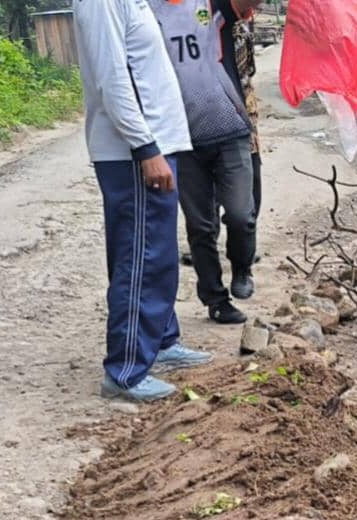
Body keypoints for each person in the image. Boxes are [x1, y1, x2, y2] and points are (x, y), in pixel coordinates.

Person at [73, 0, 212, 402]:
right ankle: (126, 370)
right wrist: (145, 147)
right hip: (133, 153)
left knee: (158, 255)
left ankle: (162, 340)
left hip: (154, 146)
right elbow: (113, 78)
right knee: (141, 258)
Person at [149, 0, 263, 325]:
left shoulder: (210, 3)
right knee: (200, 227)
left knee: (242, 215)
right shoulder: (146, 11)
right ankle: (215, 299)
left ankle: (242, 267)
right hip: (180, 137)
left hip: (230, 128)